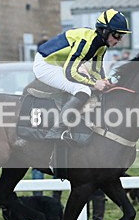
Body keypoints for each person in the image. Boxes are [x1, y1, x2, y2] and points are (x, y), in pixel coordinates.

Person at [33, 8, 130, 141]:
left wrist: (104, 81)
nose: (119, 40)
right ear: (105, 31)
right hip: (45, 65)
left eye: (121, 36)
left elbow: (96, 70)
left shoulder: (101, 44)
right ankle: (56, 130)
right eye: (117, 35)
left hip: (57, 63)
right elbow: (70, 72)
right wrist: (95, 83)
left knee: (92, 86)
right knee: (82, 89)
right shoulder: (87, 42)